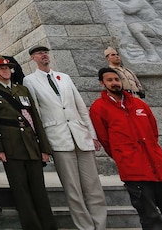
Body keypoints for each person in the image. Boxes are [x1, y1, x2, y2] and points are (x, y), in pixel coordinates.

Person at [89, 67, 162, 230]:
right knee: (150, 217)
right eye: (110, 80)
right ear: (102, 83)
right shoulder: (98, 108)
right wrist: (124, 156)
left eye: (116, 79)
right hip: (134, 170)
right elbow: (105, 141)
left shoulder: (138, 103)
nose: (114, 83)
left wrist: (153, 152)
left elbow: (153, 132)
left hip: (159, 168)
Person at [23, 46, 107, 230]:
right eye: (39, 54)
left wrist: (92, 134)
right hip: (58, 138)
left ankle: (100, 225)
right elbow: (36, 113)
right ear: (33, 59)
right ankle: (85, 227)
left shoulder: (64, 77)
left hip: (80, 134)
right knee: (73, 189)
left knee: (93, 186)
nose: (44, 55)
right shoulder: (30, 80)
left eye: (45, 52)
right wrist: (42, 142)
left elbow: (81, 107)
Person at [0, 57, 56, 230]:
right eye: (2, 69)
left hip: (31, 144)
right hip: (11, 145)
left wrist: (44, 147)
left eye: (8, 68)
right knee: (21, 191)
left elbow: (35, 118)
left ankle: (49, 225)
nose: (6, 71)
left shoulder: (22, 89)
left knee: (39, 189)